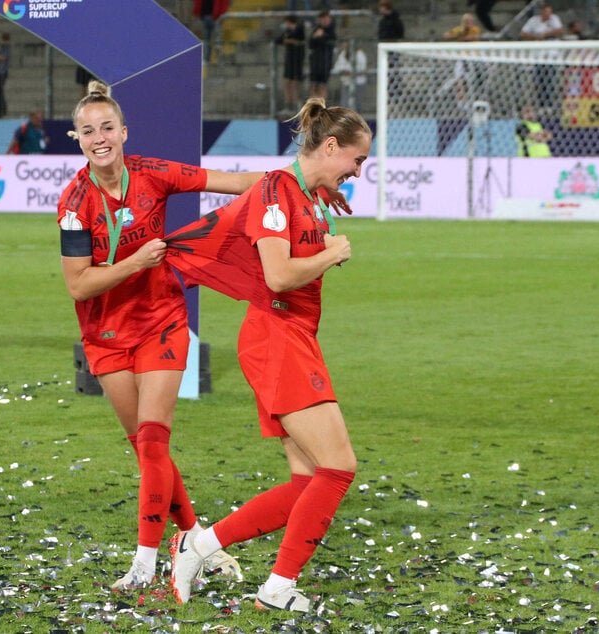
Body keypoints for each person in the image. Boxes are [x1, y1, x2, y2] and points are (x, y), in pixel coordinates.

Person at [57, 80, 271, 591]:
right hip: (106, 335)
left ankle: (144, 563)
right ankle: (195, 537)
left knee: (154, 443)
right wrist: (134, 261)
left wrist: (302, 178)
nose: (99, 137)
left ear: (124, 132)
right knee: (145, 449)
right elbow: (78, 284)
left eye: (107, 127)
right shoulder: (74, 203)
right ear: (78, 139)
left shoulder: (153, 173)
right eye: (88, 131)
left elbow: (232, 181)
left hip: (162, 323)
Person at [166, 97, 370, 613]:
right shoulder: (279, 192)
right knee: (339, 467)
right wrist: (331, 251)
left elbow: (263, 197)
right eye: (356, 160)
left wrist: (323, 205)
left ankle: (200, 546)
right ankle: (277, 587)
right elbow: (278, 275)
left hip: (291, 337)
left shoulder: (298, 191)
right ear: (330, 146)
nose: (358, 172)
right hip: (276, 337)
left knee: (308, 481)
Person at [520, 2, 564, 112]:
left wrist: (545, 34)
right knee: (539, 80)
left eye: (549, 12)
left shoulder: (554, 19)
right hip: (538, 56)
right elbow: (523, 33)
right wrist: (535, 36)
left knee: (550, 80)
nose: (548, 14)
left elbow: (560, 30)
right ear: (542, 12)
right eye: (546, 12)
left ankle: (549, 105)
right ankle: (541, 105)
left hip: (552, 56)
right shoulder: (534, 21)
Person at [275, 14, 306, 118]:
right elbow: (278, 40)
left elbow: (299, 40)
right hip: (289, 59)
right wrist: (288, 40)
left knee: (295, 82)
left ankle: (297, 104)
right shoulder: (287, 31)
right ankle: (289, 105)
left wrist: (289, 40)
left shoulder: (299, 29)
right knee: (287, 82)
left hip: (297, 59)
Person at [308, 10, 336, 99]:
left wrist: (321, 37)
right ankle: (313, 106)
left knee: (323, 85)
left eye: (326, 18)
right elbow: (311, 44)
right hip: (315, 60)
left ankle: (322, 106)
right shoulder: (317, 29)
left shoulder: (332, 30)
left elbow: (329, 43)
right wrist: (315, 37)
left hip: (325, 61)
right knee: (314, 84)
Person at [192, 0, 229, 65]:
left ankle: (218, 60)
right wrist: (196, 13)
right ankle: (206, 59)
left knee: (217, 41)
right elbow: (198, 2)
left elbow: (224, 3)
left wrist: (221, 15)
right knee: (207, 40)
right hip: (205, 17)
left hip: (216, 18)